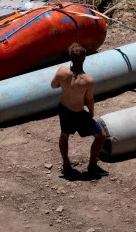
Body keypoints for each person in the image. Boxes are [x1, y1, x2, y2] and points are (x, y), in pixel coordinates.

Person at [50, 43, 106, 176]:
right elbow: (89, 99)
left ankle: (66, 165)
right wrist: (91, 112)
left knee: (64, 135)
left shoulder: (62, 72)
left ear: (70, 57)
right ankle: (92, 165)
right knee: (100, 136)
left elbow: (53, 85)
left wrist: (63, 85)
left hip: (64, 109)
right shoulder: (88, 80)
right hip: (78, 112)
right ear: (84, 58)